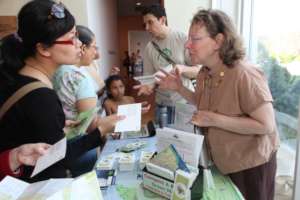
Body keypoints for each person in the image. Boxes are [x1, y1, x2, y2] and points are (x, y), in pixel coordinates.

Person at [156, 9, 280, 200]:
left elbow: (266, 125)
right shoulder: (204, 73)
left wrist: (215, 120)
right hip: (225, 163)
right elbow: (203, 102)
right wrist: (179, 88)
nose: (188, 45)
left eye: (195, 39)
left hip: (251, 166)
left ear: (218, 41)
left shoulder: (245, 74)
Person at [0, 0, 123, 182]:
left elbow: (24, 132)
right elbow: (55, 157)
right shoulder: (40, 97)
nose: (79, 43)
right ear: (43, 49)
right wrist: (100, 131)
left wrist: (55, 125)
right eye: (72, 38)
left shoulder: (17, 78)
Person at [134, 4, 201, 124]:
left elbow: (198, 71)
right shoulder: (149, 47)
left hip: (184, 101)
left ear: (162, 20)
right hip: (162, 104)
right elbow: (150, 77)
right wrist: (149, 86)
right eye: (145, 24)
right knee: (163, 140)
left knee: (184, 139)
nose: (147, 28)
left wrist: (181, 68)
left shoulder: (181, 38)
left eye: (150, 22)